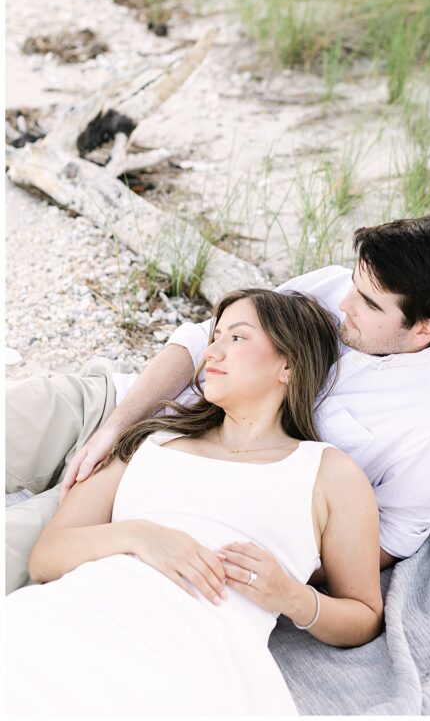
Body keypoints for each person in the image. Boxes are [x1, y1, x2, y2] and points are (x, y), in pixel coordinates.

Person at [6, 212, 430, 593]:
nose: (344, 303)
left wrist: (272, 570)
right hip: (128, 403)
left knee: (17, 544)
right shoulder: (333, 287)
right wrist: (116, 423)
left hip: (163, 486)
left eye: (369, 303)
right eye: (353, 286)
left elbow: (393, 535)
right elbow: (203, 340)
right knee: (19, 412)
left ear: (426, 329)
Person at [5, 289, 383, 714]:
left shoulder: (330, 474)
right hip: (73, 619)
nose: (212, 352)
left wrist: (291, 596)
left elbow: (365, 616)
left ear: (289, 364)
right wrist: (140, 536)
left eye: (237, 338)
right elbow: (46, 557)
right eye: (215, 337)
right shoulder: (155, 440)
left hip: (195, 662)